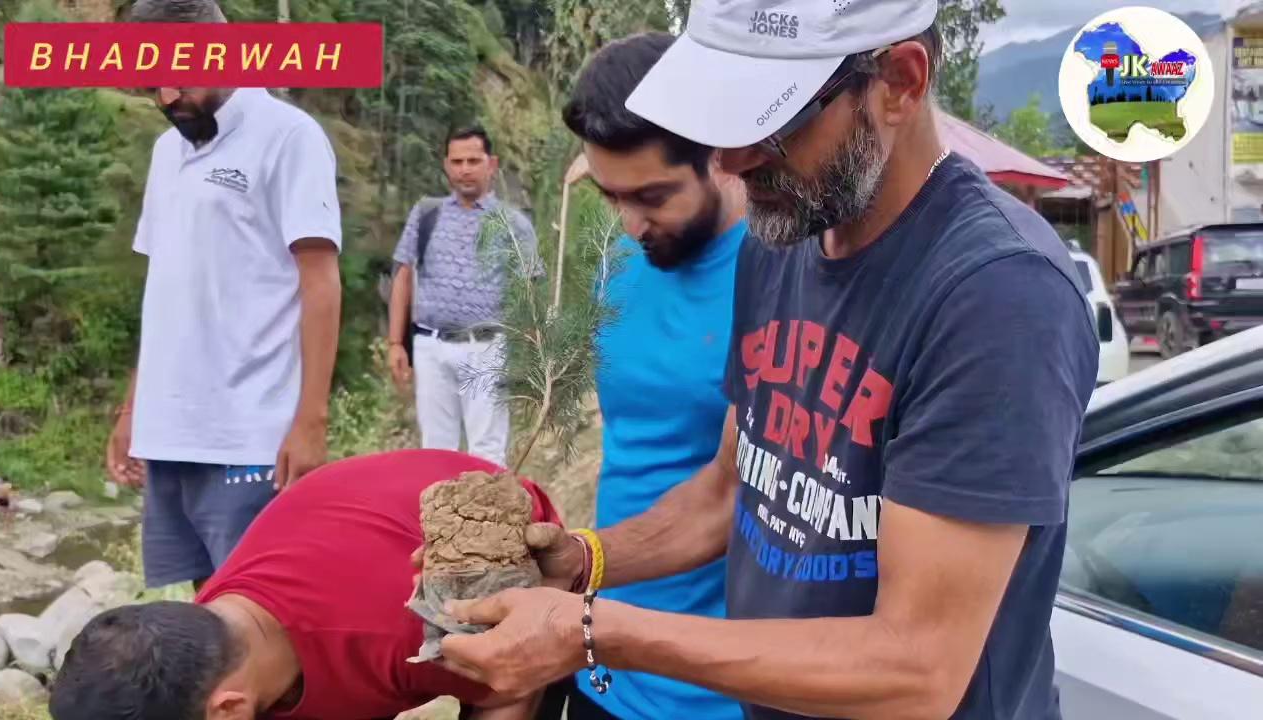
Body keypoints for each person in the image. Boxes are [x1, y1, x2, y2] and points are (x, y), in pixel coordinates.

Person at [425, 1, 1101, 719]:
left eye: (769, 123)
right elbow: (726, 494)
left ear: (899, 82)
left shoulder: (996, 292)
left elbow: (917, 668)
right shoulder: (781, 240)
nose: (729, 160)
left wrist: (593, 632)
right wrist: (583, 561)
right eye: (720, 119)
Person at [535, 32, 747, 720]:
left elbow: (726, 499)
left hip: (714, 685)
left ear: (722, 155)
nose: (630, 224)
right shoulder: (626, 261)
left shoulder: (782, 279)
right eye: (611, 196)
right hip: (600, 657)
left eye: (652, 196)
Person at [104, 0, 342, 592]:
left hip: (250, 434)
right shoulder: (167, 153)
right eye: (150, 84)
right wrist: (133, 409)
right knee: (201, 623)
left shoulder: (289, 136)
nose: (165, 98)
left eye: (175, 78)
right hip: (170, 431)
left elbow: (320, 283)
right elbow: (166, 294)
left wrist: (310, 422)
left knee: (259, 618)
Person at [50, 449, 561, 720]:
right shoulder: (201, 639)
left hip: (495, 536)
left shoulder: (413, 628)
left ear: (229, 711)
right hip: (352, 518)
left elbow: (510, 687)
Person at [386, 127, 540, 467]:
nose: (465, 169)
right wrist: (396, 342)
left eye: (473, 160)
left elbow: (528, 291)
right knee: (435, 450)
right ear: (446, 165)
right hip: (430, 345)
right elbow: (403, 274)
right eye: (457, 161)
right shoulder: (426, 214)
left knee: (487, 451)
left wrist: (529, 354)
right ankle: (435, 519)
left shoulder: (513, 223)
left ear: (492, 164)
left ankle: (487, 518)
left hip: (487, 347)